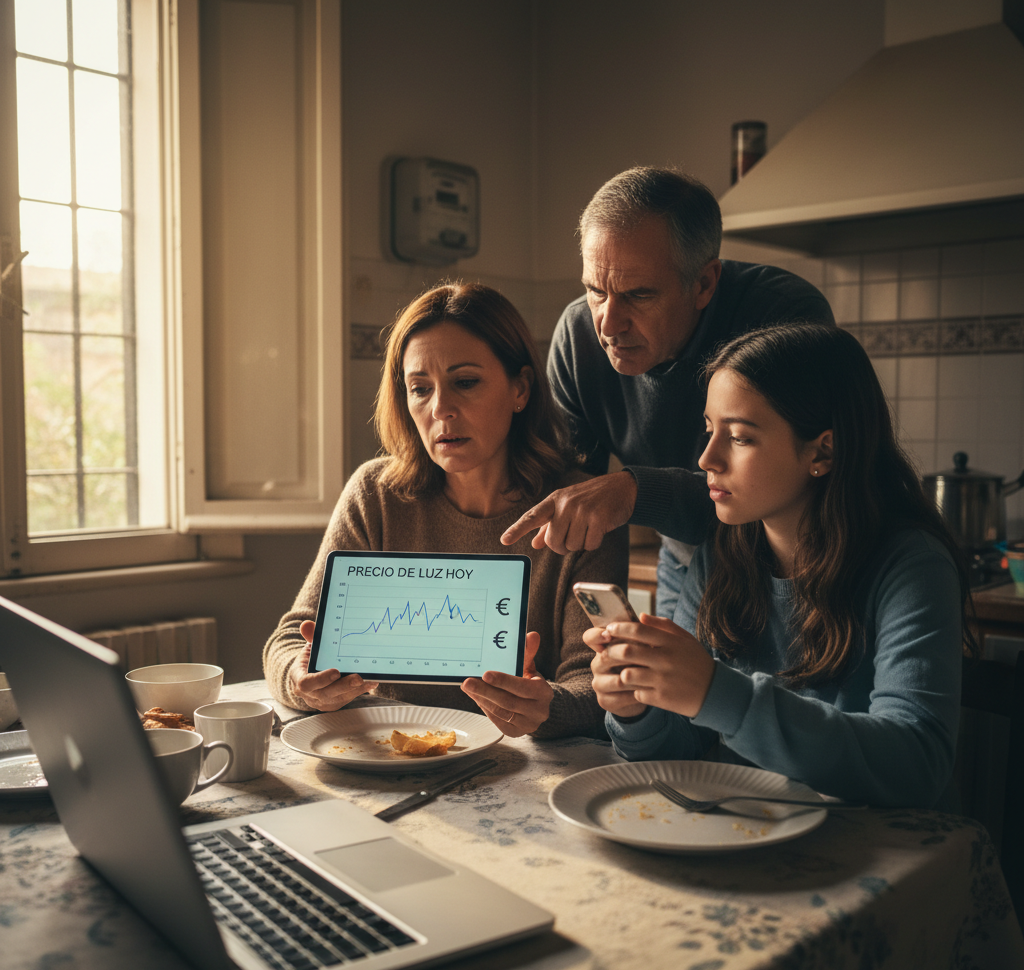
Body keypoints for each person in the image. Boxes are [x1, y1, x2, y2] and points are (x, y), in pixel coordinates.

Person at [585, 323, 971, 807]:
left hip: (878, 851)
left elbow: (915, 765)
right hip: (747, 835)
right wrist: (637, 711)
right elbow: (683, 747)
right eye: (709, 430)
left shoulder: (912, 567)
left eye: (740, 438)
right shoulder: (721, 555)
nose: (707, 458)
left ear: (822, 450)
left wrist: (717, 692)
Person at [263, 282, 628, 740]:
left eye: (466, 382)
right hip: (381, 754)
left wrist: (549, 706)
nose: (441, 409)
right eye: (420, 389)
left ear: (520, 389)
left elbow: (597, 688)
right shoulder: (373, 494)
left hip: (518, 770)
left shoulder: (580, 510)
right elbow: (291, 638)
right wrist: (301, 681)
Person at [502, 167, 834, 619]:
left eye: (638, 295)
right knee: (667, 689)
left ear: (704, 284)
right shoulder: (578, 336)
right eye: (595, 290)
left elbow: (784, 489)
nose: (607, 325)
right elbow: (573, 493)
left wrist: (635, 491)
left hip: (792, 562)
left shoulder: (784, 318)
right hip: (682, 555)